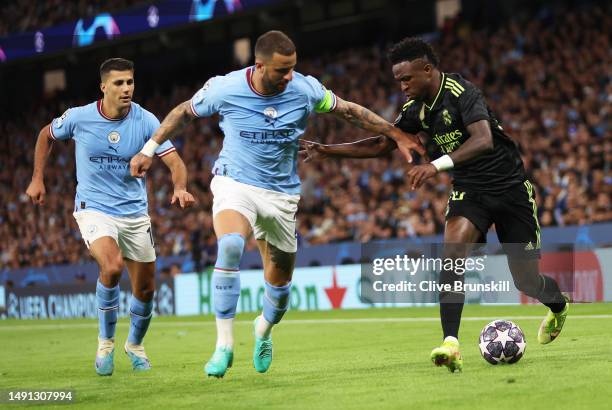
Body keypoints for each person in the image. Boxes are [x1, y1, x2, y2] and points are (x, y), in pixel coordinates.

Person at [130, 30, 424, 377]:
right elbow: (182, 112)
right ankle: (223, 346)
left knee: (280, 289)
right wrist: (148, 149)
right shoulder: (225, 88)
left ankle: (263, 330)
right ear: (259, 65)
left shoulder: (305, 88)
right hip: (234, 182)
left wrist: (397, 133)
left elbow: (350, 112)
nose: (289, 76)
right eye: (282, 70)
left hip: (282, 194)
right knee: (230, 246)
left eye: (292, 68)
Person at [301, 37, 569, 372]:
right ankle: (451, 343)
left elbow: (484, 140)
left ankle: (558, 307)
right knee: (451, 258)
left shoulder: (461, 92)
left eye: (407, 78)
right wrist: (329, 150)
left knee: (526, 282)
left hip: (511, 189)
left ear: (428, 70)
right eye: (398, 80)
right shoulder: (415, 110)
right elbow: (385, 143)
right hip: (470, 190)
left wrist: (435, 164)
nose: (402, 86)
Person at [26, 58, 195, 376]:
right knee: (113, 265)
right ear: (103, 87)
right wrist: (37, 178)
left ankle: (135, 345)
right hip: (94, 208)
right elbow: (45, 135)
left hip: (134, 214)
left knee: (145, 291)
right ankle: (105, 343)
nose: (127, 88)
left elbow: (175, 162)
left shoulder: (146, 120)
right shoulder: (79, 118)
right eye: (119, 83)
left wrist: (180, 187)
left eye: (130, 82)